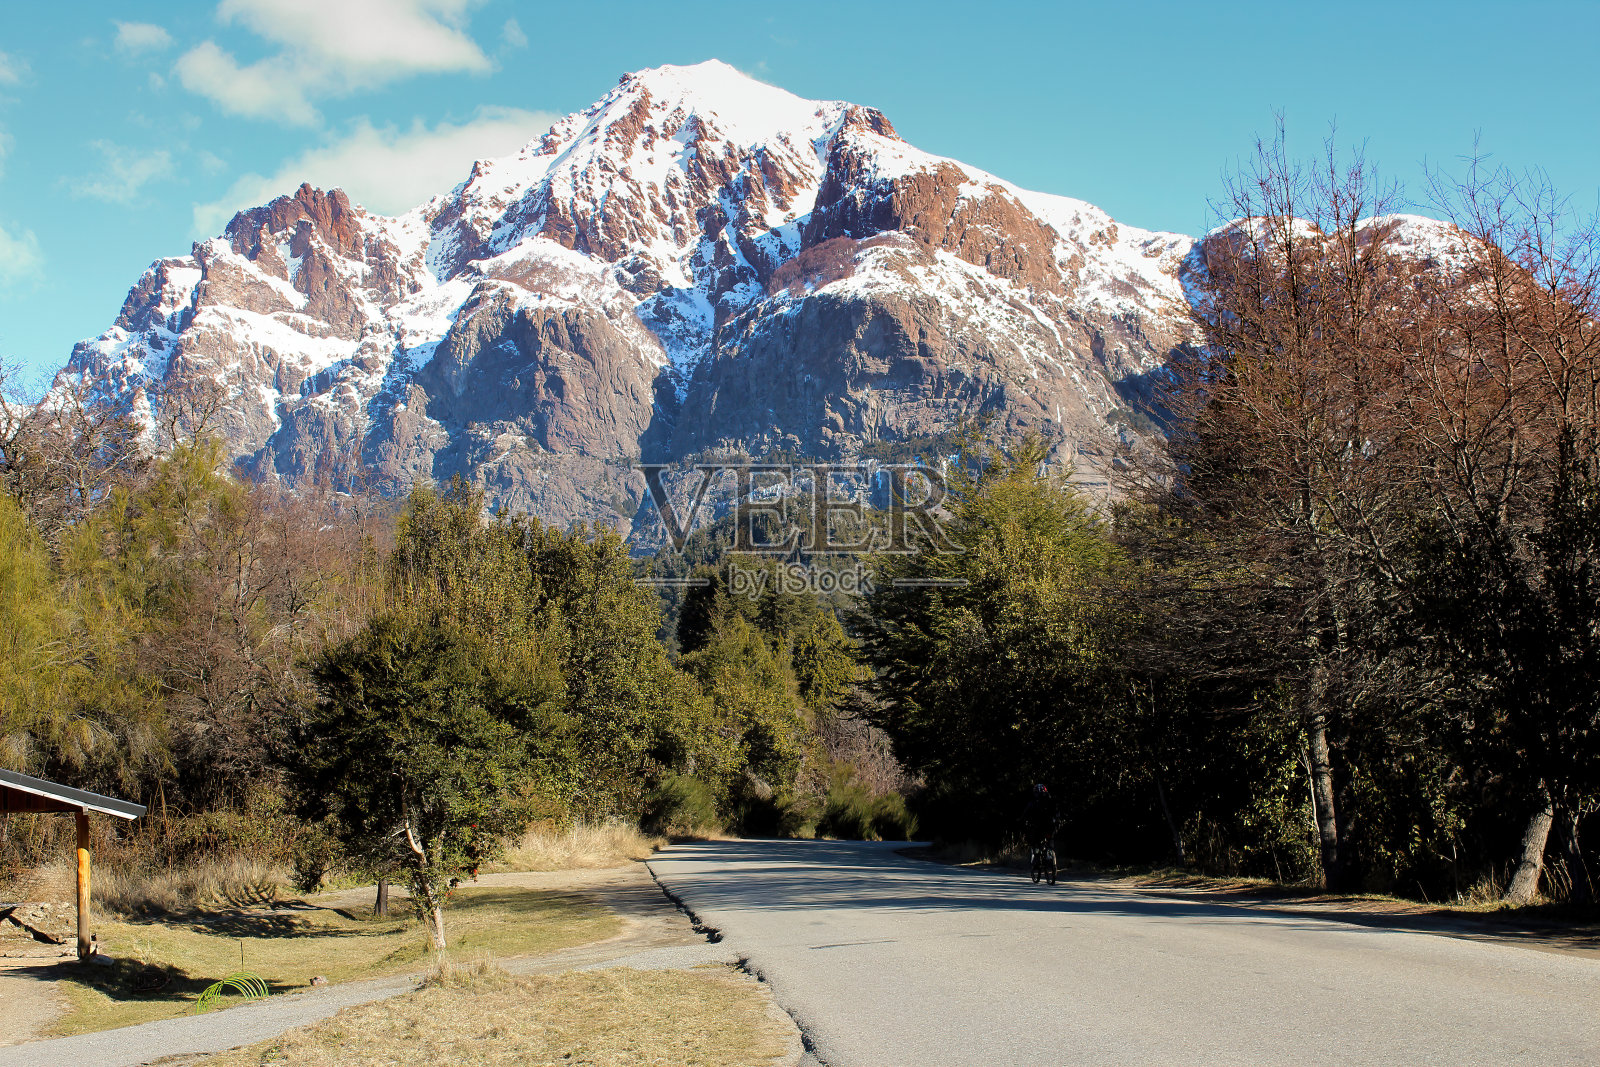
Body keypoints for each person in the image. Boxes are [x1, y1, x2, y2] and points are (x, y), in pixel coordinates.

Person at [1022, 783, 1058, 853]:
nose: (1039, 795)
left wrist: (1056, 819)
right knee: (1034, 837)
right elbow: (1026, 813)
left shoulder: (1050, 801)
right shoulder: (1033, 803)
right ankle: (1037, 851)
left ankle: (1047, 849)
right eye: (1037, 793)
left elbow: (1056, 811)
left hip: (1046, 824)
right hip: (1039, 825)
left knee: (1049, 836)